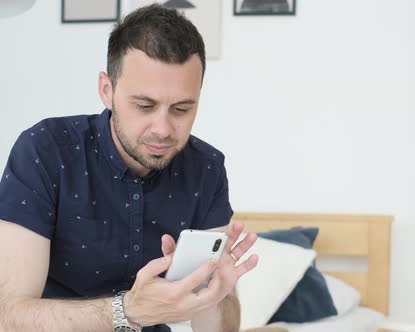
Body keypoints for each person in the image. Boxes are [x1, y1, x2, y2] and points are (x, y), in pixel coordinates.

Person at [0, 4, 258, 332]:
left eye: (181, 108)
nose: (163, 129)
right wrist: (128, 311)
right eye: (144, 105)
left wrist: (215, 293)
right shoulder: (45, 151)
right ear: (106, 90)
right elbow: (8, 317)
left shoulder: (206, 169)